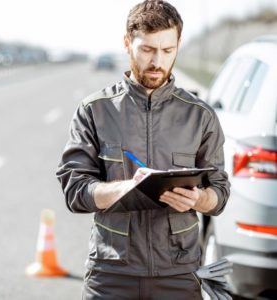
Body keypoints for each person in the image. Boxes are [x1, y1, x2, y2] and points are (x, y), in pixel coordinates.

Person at [56, 1, 230, 299]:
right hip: (110, 274)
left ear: (178, 45)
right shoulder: (94, 110)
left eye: (167, 50)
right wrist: (127, 188)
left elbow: (220, 193)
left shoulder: (201, 116)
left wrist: (199, 198)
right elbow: (75, 192)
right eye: (148, 49)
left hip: (179, 273)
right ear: (127, 43)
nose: (157, 62)